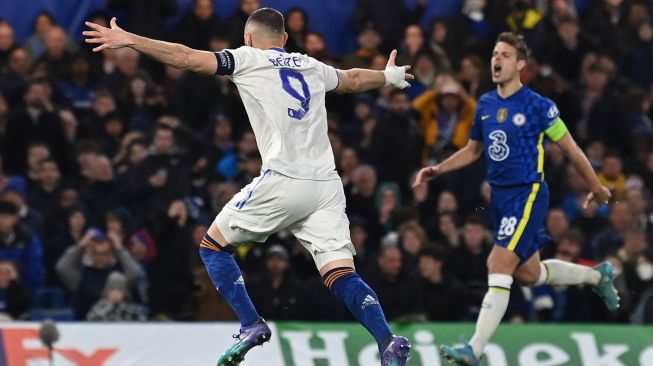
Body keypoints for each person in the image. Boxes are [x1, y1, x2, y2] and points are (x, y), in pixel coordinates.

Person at [84, 8, 413, 366]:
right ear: (285, 40)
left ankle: (251, 324)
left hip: (285, 179)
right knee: (340, 274)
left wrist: (132, 40)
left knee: (212, 247)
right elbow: (350, 79)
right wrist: (387, 76)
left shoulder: (247, 58)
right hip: (327, 187)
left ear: (249, 38)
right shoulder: (310, 65)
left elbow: (185, 58)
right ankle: (387, 341)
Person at [413, 32, 620, 366]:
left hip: (529, 192)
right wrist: (438, 169)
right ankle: (598, 276)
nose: (497, 59)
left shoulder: (539, 107)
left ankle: (474, 349)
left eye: (506, 55)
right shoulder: (485, 103)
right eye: (495, 53)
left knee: (497, 263)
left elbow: (570, 149)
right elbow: (473, 150)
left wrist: (596, 186)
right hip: (500, 199)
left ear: (521, 64)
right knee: (528, 274)